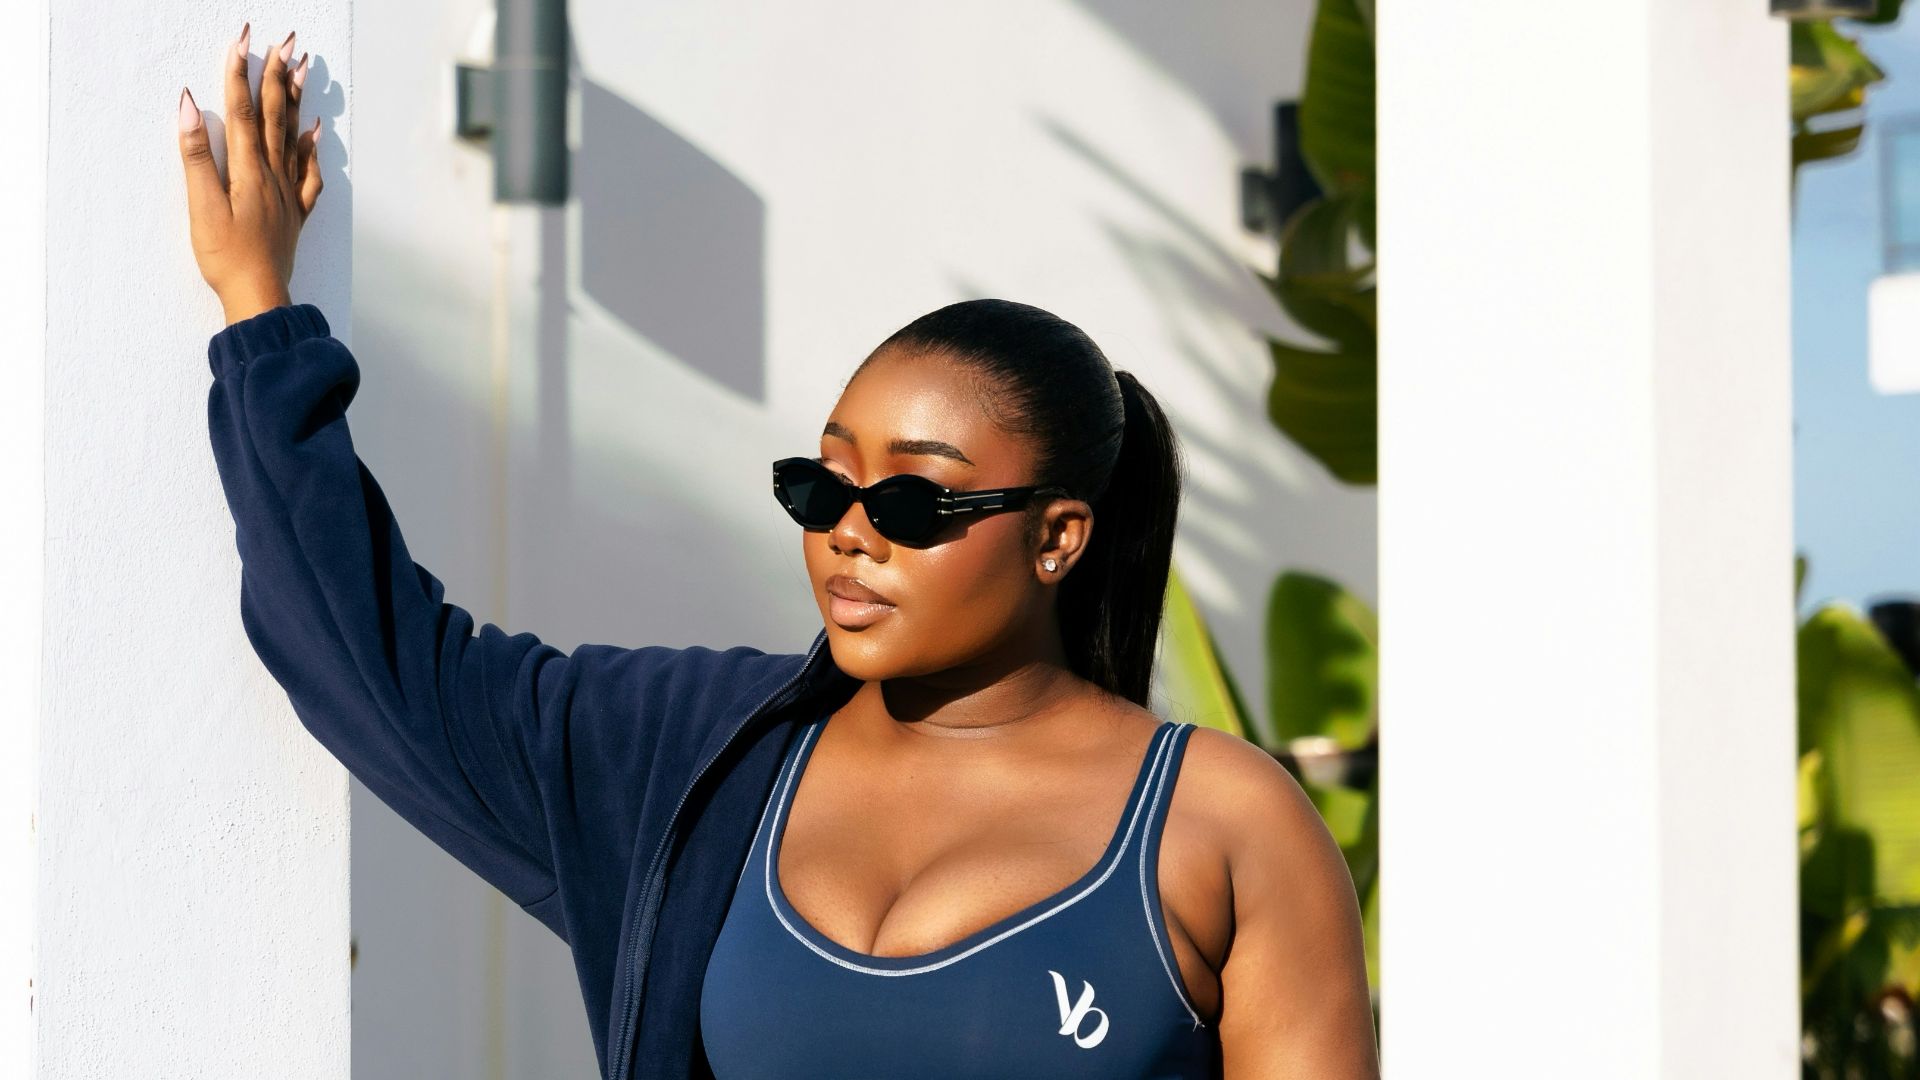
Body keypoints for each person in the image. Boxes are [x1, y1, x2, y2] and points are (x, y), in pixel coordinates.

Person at [176, 21, 1380, 1080]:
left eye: (914, 504)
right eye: (821, 484)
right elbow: (379, 665)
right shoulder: (690, 755)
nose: (850, 533)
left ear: (1057, 537)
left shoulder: (1222, 826)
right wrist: (261, 317)